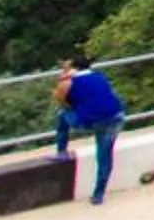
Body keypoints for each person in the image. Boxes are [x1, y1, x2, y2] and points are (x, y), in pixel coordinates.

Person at [52, 54, 125, 205]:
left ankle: (61, 151)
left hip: (92, 120)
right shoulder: (99, 76)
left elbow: (60, 100)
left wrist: (62, 78)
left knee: (61, 115)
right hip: (115, 117)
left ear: (73, 68)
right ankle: (98, 194)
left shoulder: (69, 82)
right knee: (104, 156)